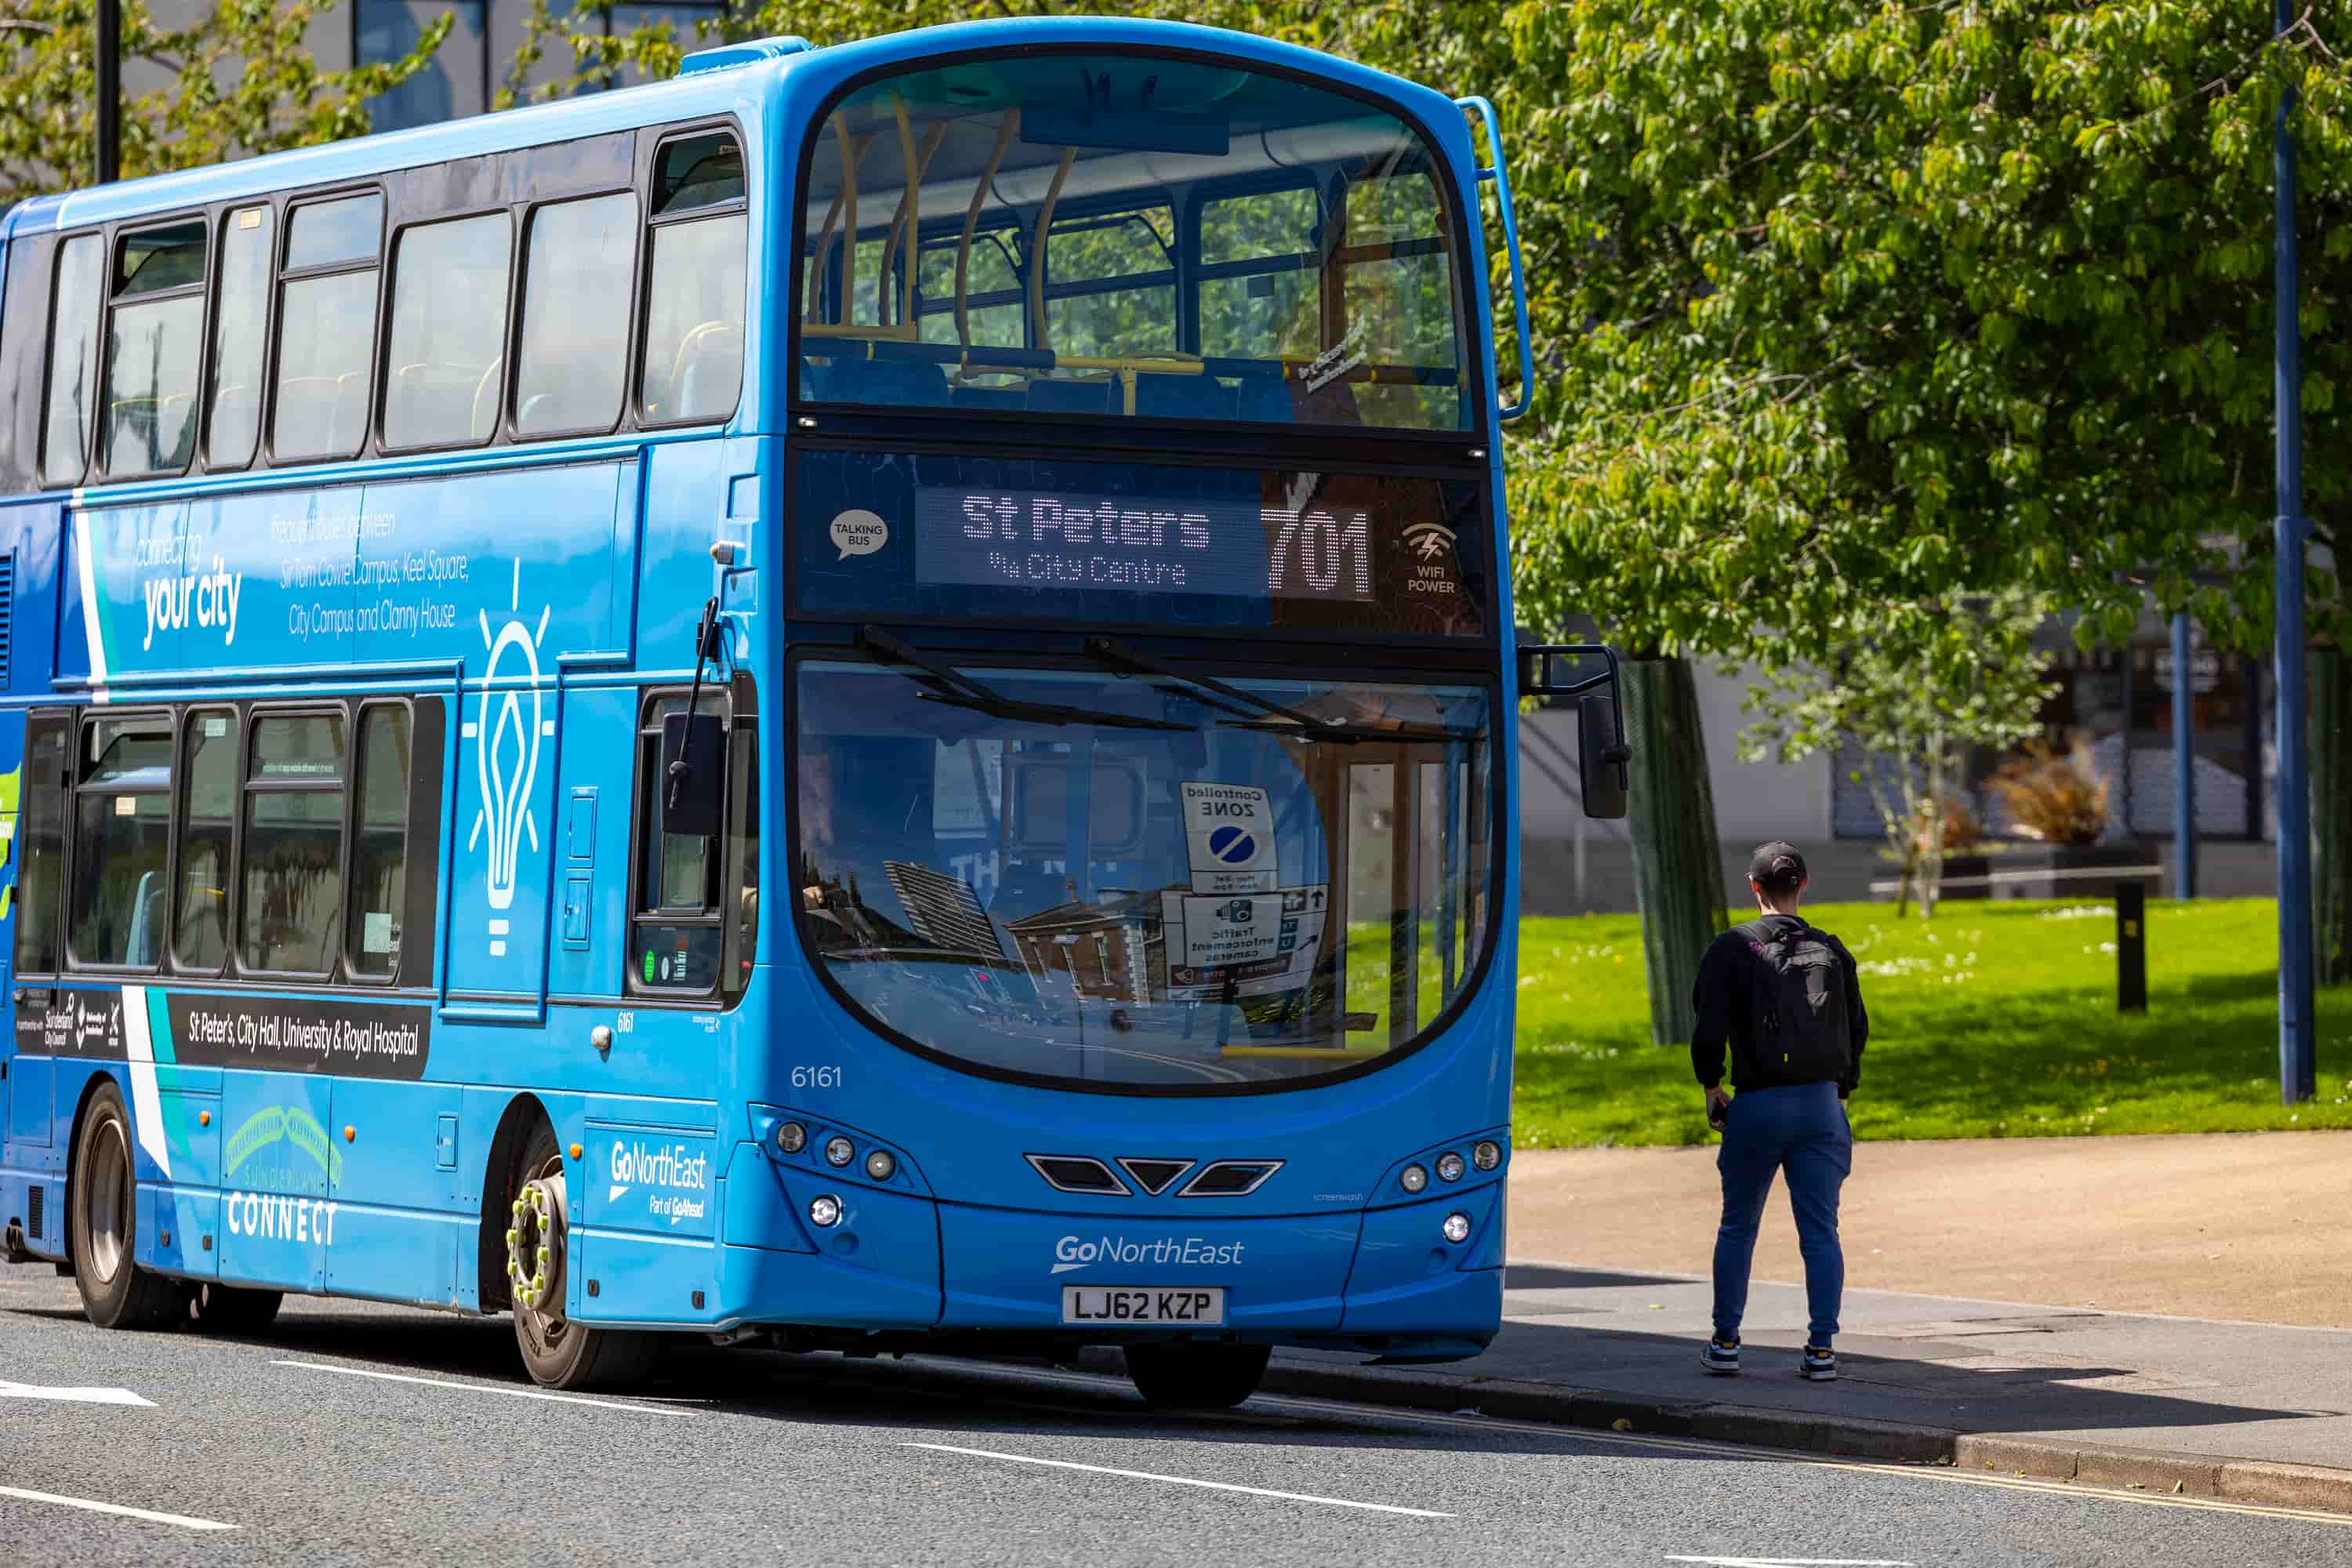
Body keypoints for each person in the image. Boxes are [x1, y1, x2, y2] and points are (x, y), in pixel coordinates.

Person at [1690, 842, 1867, 1381]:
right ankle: (1820, 1350)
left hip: (1758, 1103)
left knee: (1738, 1226)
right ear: (1804, 886)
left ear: (1754, 887)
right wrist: (1842, 1092)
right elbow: (1856, 1027)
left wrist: (1711, 1086)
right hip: (1819, 1104)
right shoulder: (1832, 950)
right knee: (1821, 1230)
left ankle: (1725, 1341)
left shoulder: (1732, 948)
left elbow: (1708, 1026)